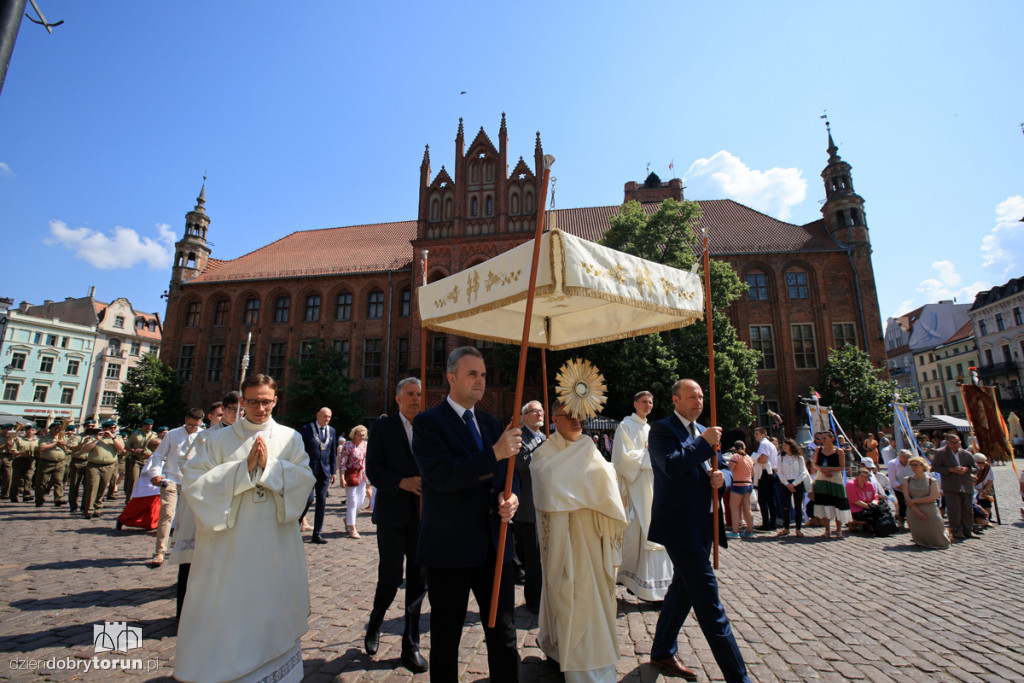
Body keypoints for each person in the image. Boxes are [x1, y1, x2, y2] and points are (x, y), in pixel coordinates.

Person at [175, 374, 315, 683]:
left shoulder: (291, 438)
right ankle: (226, 670)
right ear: (242, 402)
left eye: (266, 402)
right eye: (253, 401)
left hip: (273, 540)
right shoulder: (216, 440)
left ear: (275, 401)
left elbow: (305, 480)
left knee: (272, 601)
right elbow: (194, 482)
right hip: (229, 545)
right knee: (227, 605)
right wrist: (243, 469)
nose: (260, 408)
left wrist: (269, 468)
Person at [411, 346, 522, 683]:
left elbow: (510, 471)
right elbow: (442, 476)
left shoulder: (490, 423)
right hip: (450, 548)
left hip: (495, 544)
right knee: (446, 636)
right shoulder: (429, 423)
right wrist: (494, 455)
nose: (480, 380)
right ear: (451, 378)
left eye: (484, 375)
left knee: (503, 632)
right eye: (472, 374)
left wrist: (512, 496)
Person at [648, 379, 749, 682]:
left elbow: (723, 470)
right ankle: (738, 677)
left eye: (701, 397)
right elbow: (672, 465)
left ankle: (662, 650)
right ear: (675, 400)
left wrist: (723, 480)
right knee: (709, 602)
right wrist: (703, 443)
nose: (699, 401)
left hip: (705, 524)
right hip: (680, 527)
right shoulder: (663, 430)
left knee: (682, 591)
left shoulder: (702, 431)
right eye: (691, 397)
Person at [531, 400, 627, 683]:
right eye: (569, 416)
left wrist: (586, 485)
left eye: (581, 417)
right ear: (554, 419)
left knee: (592, 598)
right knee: (564, 593)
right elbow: (547, 482)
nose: (577, 421)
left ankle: (590, 660)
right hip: (563, 541)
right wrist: (586, 485)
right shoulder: (545, 452)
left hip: (593, 537)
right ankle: (560, 648)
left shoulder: (589, 448)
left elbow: (608, 479)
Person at [363, 377, 429, 673]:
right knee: (390, 578)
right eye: (410, 394)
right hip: (392, 515)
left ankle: (410, 645)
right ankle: (375, 623)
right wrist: (401, 482)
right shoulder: (383, 427)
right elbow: (373, 469)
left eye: (419, 394)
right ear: (398, 399)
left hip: (423, 517)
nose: (416, 399)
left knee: (418, 582)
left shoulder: (429, 427)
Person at [169, 392, 240, 619]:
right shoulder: (204, 437)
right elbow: (186, 465)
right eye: (230, 408)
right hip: (203, 504)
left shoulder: (245, 435)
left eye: (239, 409)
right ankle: (184, 614)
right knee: (193, 562)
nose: (234, 413)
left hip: (233, 506)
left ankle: (218, 614)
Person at [612, 390, 673, 602]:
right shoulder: (625, 426)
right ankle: (638, 583)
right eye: (644, 402)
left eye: (650, 402)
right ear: (635, 404)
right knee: (641, 532)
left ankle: (647, 584)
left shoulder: (649, 427)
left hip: (653, 485)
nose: (648, 405)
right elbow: (621, 459)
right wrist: (649, 455)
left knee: (650, 532)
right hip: (636, 487)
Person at [143, 408, 204, 566]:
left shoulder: (203, 435)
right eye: (190, 425)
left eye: (196, 426)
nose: (192, 429)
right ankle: (160, 551)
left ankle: (181, 547)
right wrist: (156, 473)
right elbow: (158, 455)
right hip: (171, 478)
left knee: (186, 519)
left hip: (191, 482)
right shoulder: (173, 434)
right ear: (185, 420)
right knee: (167, 514)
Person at [513, 399, 547, 613]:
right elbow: (522, 463)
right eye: (535, 411)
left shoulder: (544, 437)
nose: (539, 414)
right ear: (525, 417)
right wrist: (544, 451)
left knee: (544, 556)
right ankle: (533, 600)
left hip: (545, 503)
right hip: (527, 506)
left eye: (541, 411)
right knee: (533, 558)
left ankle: (544, 596)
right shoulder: (520, 437)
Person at [930, 432, 978, 540]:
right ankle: (957, 530)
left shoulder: (966, 454)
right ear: (947, 443)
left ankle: (968, 530)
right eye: (953, 443)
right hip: (951, 485)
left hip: (966, 484)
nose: (956, 445)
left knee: (968, 509)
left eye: (957, 443)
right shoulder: (941, 453)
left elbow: (976, 468)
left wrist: (967, 469)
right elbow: (934, 468)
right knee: (954, 510)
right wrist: (950, 470)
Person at [300, 407, 337, 544]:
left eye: (329, 417)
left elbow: (333, 453)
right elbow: (300, 449)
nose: (327, 419)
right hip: (309, 470)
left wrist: (333, 471)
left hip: (324, 471)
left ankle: (317, 533)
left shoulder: (331, 431)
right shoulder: (307, 429)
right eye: (324, 416)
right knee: (308, 499)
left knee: (322, 501)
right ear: (318, 415)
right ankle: (297, 524)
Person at [902, 457, 951, 549]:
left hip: (930, 508)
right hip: (913, 509)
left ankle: (947, 533)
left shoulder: (931, 481)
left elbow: (932, 497)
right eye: (912, 465)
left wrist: (914, 501)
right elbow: (907, 498)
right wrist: (917, 511)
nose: (913, 467)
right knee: (921, 533)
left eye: (916, 465)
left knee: (939, 538)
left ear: (922, 466)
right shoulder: (907, 480)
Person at [812, 430, 851, 539]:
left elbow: (842, 467)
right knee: (825, 504)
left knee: (837, 503)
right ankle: (827, 529)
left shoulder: (839, 451)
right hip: (822, 478)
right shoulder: (819, 450)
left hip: (835, 479)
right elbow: (814, 464)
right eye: (821, 438)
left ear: (831, 438)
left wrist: (829, 468)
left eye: (825, 438)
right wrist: (822, 470)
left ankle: (838, 530)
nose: (823, 440)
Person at [776, 438, 809, 537]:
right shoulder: (781, 458)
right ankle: (786, 528)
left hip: (797, 482)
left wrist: (794, 484)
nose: (784, 447)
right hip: (785, 483)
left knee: (798, 507)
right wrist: (787, 484)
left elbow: (803, 472)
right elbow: (779, 472)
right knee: (785, 506)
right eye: (783, 446)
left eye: (786, 445)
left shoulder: (799, 458)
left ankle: (798, 529)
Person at [339, 425, 368, 538]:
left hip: (362, 476)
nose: (361, 437)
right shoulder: (348, 445)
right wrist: (342, 477)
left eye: (363, 435)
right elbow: (343, 462)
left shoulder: (365, 445)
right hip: (351, 475)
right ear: (354, 435)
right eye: (359, 435)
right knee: (352, 502)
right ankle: (352, 527)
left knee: (360, 502)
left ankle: (348, 519)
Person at [124, 419, 158, 504]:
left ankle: (144, 499)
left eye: (151, 425)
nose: (149, 427)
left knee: (147, 480)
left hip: (148, 459)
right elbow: (127, 446)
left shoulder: (154, 435)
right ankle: (130, 500)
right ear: (143, 425)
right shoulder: (135, 435)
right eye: (147, 425)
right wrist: (133, 450)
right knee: (133, 479)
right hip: (136, 459)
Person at [752, 427, 779, 530]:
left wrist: (755, 458)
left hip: (765, 473)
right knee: (771, 500)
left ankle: (766, 524)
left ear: (763, 434)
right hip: (771, 473)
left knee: (763, 500)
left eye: (757, 434)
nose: (755, 436)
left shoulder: (763, 444)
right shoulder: (770, 444)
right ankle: (772, 523)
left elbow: (763, 459)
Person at [726, 440, 754, 539]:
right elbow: (752, 473)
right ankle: (750, 530)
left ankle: (735, 531)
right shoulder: (749, 458)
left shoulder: (735, 457)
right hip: (749, 484)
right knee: (747, 508)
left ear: (735, 448)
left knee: (734, 508)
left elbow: (730, 470)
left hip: (738, 485)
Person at [10, 423, 38, 503]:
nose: (30, 431)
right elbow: (13, 450)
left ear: (35, 431)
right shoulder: (19, 439)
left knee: (28, 478)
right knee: (16, 479)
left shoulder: (36, 440)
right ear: (25, 431)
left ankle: (27, 495)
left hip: (31, 460)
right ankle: (14, 495)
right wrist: (21, 453)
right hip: (19, 460)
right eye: (28, 430)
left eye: (32, 430)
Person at [886, 449, 913, 528]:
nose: (907, 460)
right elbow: (893, 481)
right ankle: (901, 520)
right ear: (899, 457)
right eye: (905, 458)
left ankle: (912, 520)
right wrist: (904, 489)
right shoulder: (892, 463)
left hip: (911, 487)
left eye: (908, 457)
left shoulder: (911, 463)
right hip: (898, 487)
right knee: (902, 503)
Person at [972, 453, 994, 530]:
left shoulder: (987, 468)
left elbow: (991, 480)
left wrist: (986, 489)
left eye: (983, 462)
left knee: (986, 502)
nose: (981, 464)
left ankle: (987, 519)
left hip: (984, 489)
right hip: (973, 490)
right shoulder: (970, 467)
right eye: (979, 462)